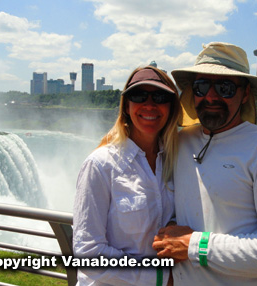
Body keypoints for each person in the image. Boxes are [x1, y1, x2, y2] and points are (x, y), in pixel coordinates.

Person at [152, 42, 257, 286]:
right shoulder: (180, 142)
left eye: (225, 87)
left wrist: (196, 246)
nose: (211, 96)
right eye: (202, 86)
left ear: (245, 93)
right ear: (192, 92)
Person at [73, 66, 181, 286]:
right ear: (127, 106)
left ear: (171, 107)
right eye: (139, 95)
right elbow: (87, 253)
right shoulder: (101, 165)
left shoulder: (176, 160)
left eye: (160, 96)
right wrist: (159, 279)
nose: (149, 104)